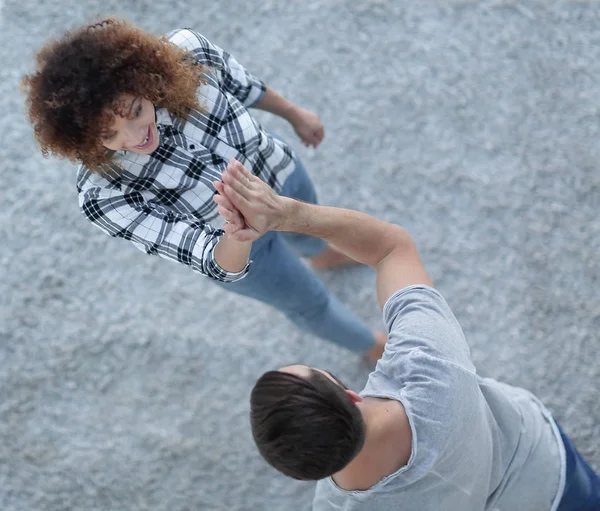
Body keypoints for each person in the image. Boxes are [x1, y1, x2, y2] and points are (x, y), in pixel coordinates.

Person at [212, 161, 600, 511]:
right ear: (349, 395)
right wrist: (285, 214)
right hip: (541, 471)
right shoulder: (430, 365)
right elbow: (390, 249)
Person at [21, 18, 386, 359]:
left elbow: (246, 87)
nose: (134, 136)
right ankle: (371, 347)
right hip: (242, 251)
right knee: (308, 303)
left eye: (134, 110)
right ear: (81, 137)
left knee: (312, 235)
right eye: (108, 134)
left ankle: (320, 255)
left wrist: (295, 114)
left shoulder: (188, 54)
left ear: (141, 80)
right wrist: (240, 230)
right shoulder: (103, 195)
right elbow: (211, 260)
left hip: (280, 173)